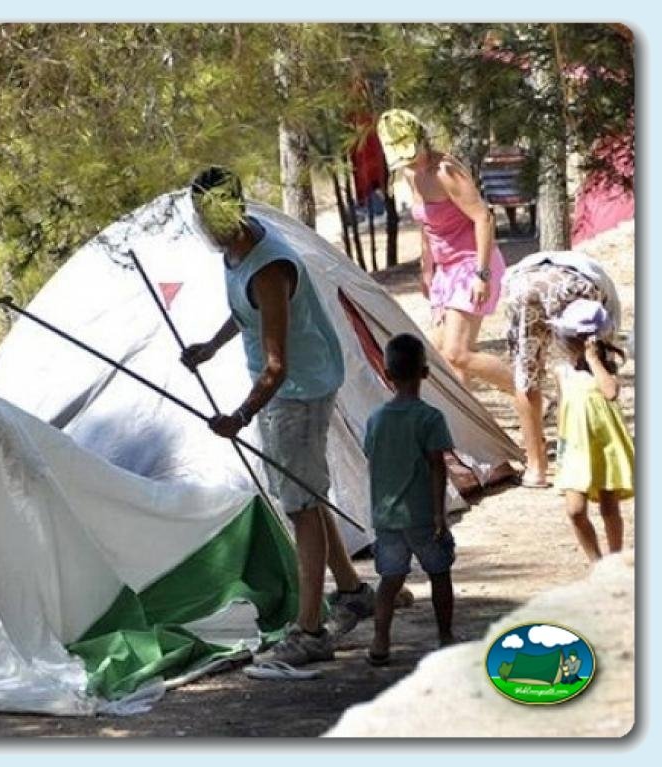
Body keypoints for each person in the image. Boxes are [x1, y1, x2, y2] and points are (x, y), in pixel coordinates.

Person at [181, 165, 373, 668]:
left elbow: (276, 365)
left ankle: (310, 629)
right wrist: (211, 347)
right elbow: (249, 313)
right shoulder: (235, 250)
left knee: (301, 508)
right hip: (283, 387)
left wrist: (238, 417)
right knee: (304, 492)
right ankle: (352, 590)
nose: (203, 227)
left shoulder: (270, 265)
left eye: (206, 216)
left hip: (298, 391)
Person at [376, 109, 514, 394]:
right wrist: (427, 270)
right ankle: (466, 428)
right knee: (441, 355)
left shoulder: (446, 171)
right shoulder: (410, 174)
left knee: (457, 352)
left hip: (471, 263)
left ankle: (528, 392)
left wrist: (482, 273)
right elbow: (427, 225)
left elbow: (483, 218)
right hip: (445, 270)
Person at [363, 333, 457, 666]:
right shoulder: (430, 418)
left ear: (387, 374)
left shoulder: (375, 420)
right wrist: (439, 515)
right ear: (425, 373)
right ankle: (445, 636)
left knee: (389, 580)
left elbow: (372, 460)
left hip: (387, 516)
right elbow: (437, 467)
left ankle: (380, 641)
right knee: (439, 572)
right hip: (420, 514)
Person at [502, 251, 622, 488]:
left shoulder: (529, 266)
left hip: (521, 285)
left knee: (525, 376)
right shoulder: (599, 287)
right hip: (572, 286)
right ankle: (572, 457)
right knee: (577, 370)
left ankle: (536, 467)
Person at [549, 299, 634, 562]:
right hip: (575, 447)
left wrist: (593, 360)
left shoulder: (605, 370)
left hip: (603, 445)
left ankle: (615, 559)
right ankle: (596, 561)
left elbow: (610, 392)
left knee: (610, 509)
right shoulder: (562, 372)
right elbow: (562, 407)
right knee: (575, 510)